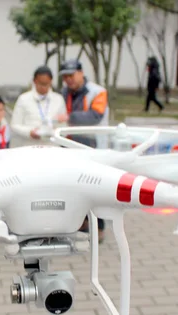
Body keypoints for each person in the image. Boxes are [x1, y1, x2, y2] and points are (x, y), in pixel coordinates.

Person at [56, 59, 109, 242]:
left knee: (94, 188)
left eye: (71, 75)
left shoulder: (98, 92)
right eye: (65, 77)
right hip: (69, 145)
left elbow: (95, 116)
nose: (68, 80)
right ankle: (82, 222)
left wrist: (69, 116)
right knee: (73, 187)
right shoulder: (63, 92)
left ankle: (99, 227)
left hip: (92, 146)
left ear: (81, 73)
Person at [10, 66, 67, 144]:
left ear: (51, 81)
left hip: (52, 147)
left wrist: (55, 130)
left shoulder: (58, 99)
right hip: (29, 146)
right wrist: (29, 132)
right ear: (34, 81)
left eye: (46, 84)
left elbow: (64, 125)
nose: (43, 87)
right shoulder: (23, 99)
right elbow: (15, 125)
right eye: (40, 83)